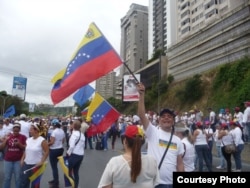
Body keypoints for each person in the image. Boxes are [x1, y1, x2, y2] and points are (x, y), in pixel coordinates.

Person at [137, 83, 184, 188]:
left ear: (173, 121)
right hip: (155, 183)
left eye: (169, 116)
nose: (166, 118)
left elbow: (180, 163)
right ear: (159, 120)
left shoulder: (178, 140)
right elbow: (141, 115)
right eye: (163, 116)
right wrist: (141, 95)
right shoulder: (153, 132)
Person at [20, 122, 49, 188]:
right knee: (24, 183)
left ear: (36, 130)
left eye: (31, 129)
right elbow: (26, 150)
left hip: (36, 165)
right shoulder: (28, 139)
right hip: (26, 164)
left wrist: (42, 161)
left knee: (35, 185)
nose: (29, 131)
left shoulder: (42, 140)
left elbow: (47, 151)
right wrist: (22, 159)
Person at [0, 122, 26, 188]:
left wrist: (19, 144)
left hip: (18, 160)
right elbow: (1, 148)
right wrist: (5, 140)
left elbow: (25, 148)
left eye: (17, 131)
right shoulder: (8, 136)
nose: (15, 132)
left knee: (18, 178)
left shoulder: (23, 137)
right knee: (7, 178)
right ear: (12, 130)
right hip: (8, 160)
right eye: (14, 131)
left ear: (19, 130)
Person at [66, 119, 85, 188]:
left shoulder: (74, 135)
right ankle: (76, 186)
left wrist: (68, 153)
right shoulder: (82, 134)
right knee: (76, 172)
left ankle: (72, 183)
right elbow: (83, 146)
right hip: (80, 155)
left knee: (67, 171)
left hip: (74, 155)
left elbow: (71, 146)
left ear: (73, 126)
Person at [48, 119, 65, 188]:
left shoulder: (54, 132)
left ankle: (56, 183)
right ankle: (55, 180)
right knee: (55, 166)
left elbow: (51, 142)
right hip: (60, 149)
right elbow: (63, 141)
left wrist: (46, 144)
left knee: (54, 167)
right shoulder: (62, 131)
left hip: (54, 150)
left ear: (53, 125)